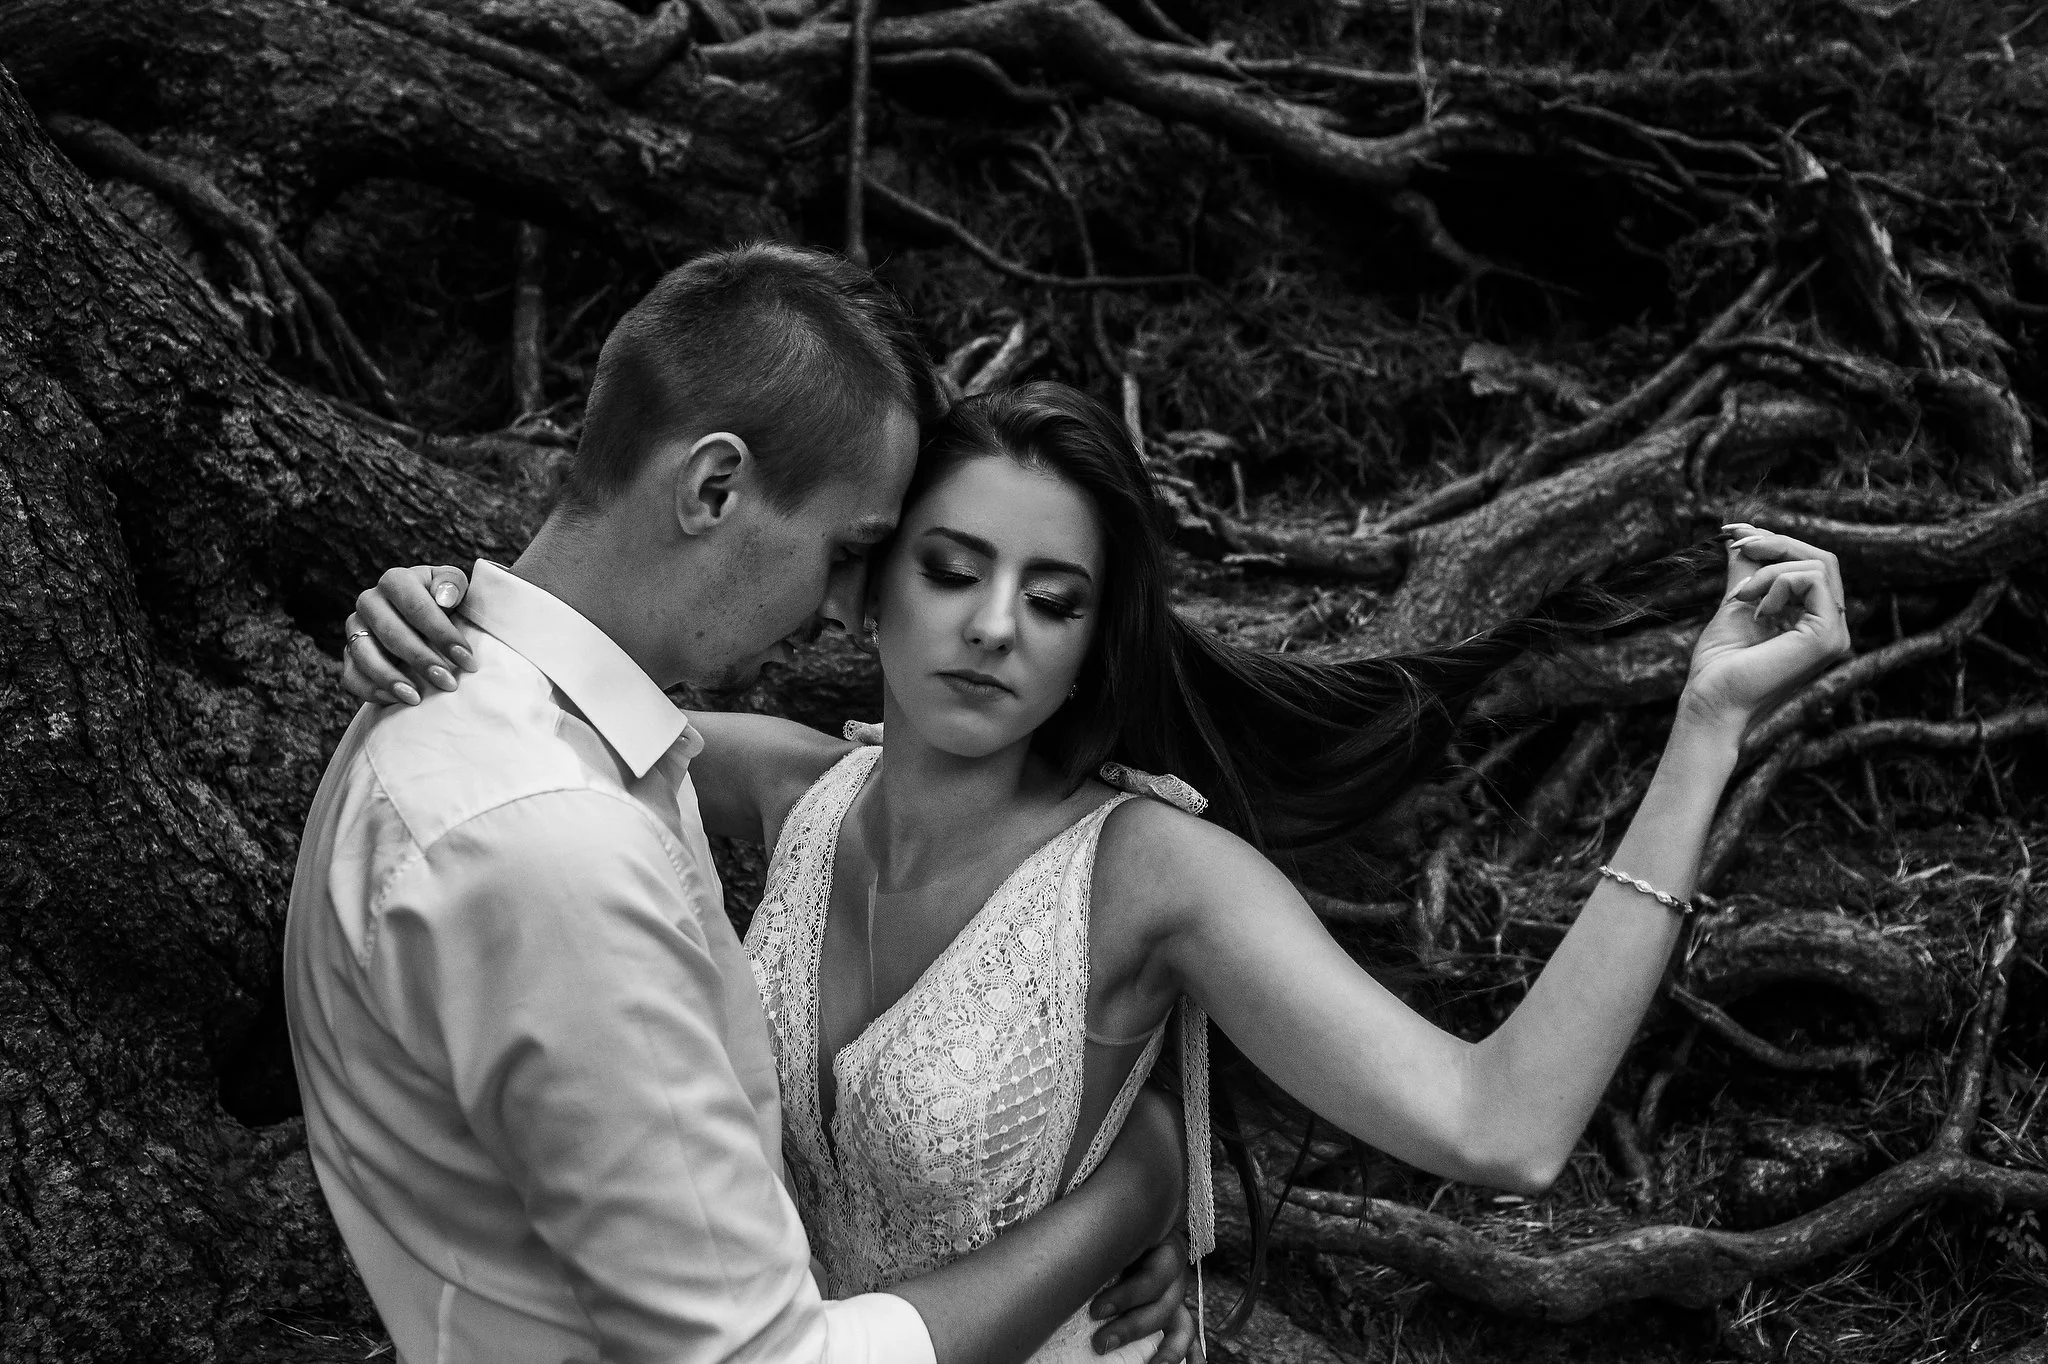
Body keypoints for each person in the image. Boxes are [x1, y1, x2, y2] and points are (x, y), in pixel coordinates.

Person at [346, 378, 1851, 1354]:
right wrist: (428, 605)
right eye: (951, 570)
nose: (994, 626)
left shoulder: (1150, 873)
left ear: (1092, 643)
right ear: (867, 585)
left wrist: (1705, 730)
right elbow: (565, 685)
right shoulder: (787, 786)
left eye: (1052, 598)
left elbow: (1501, 1125)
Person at [286, 248, 1201, 1364]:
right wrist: (1128, 1193)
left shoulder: (480, 714)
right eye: (848, 550)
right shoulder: (553, 844)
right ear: (713, 487)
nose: (845, 607)